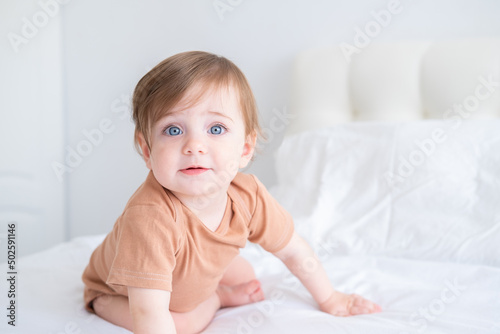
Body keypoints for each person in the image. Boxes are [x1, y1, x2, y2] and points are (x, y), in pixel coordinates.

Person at [81, 51, 382, 334]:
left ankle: (217, 291)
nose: (194, 145)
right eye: (173, 130)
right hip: (120, 289)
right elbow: (149, 314)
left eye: (216, 129)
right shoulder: (151, 217)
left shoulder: (248, 197)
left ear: (245, 149)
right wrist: (214, 298)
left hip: (183, 271)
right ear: (147, 151)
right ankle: (213, 300)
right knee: (182, 323)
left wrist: (331, 298)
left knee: (246, 274)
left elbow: (294, 250)